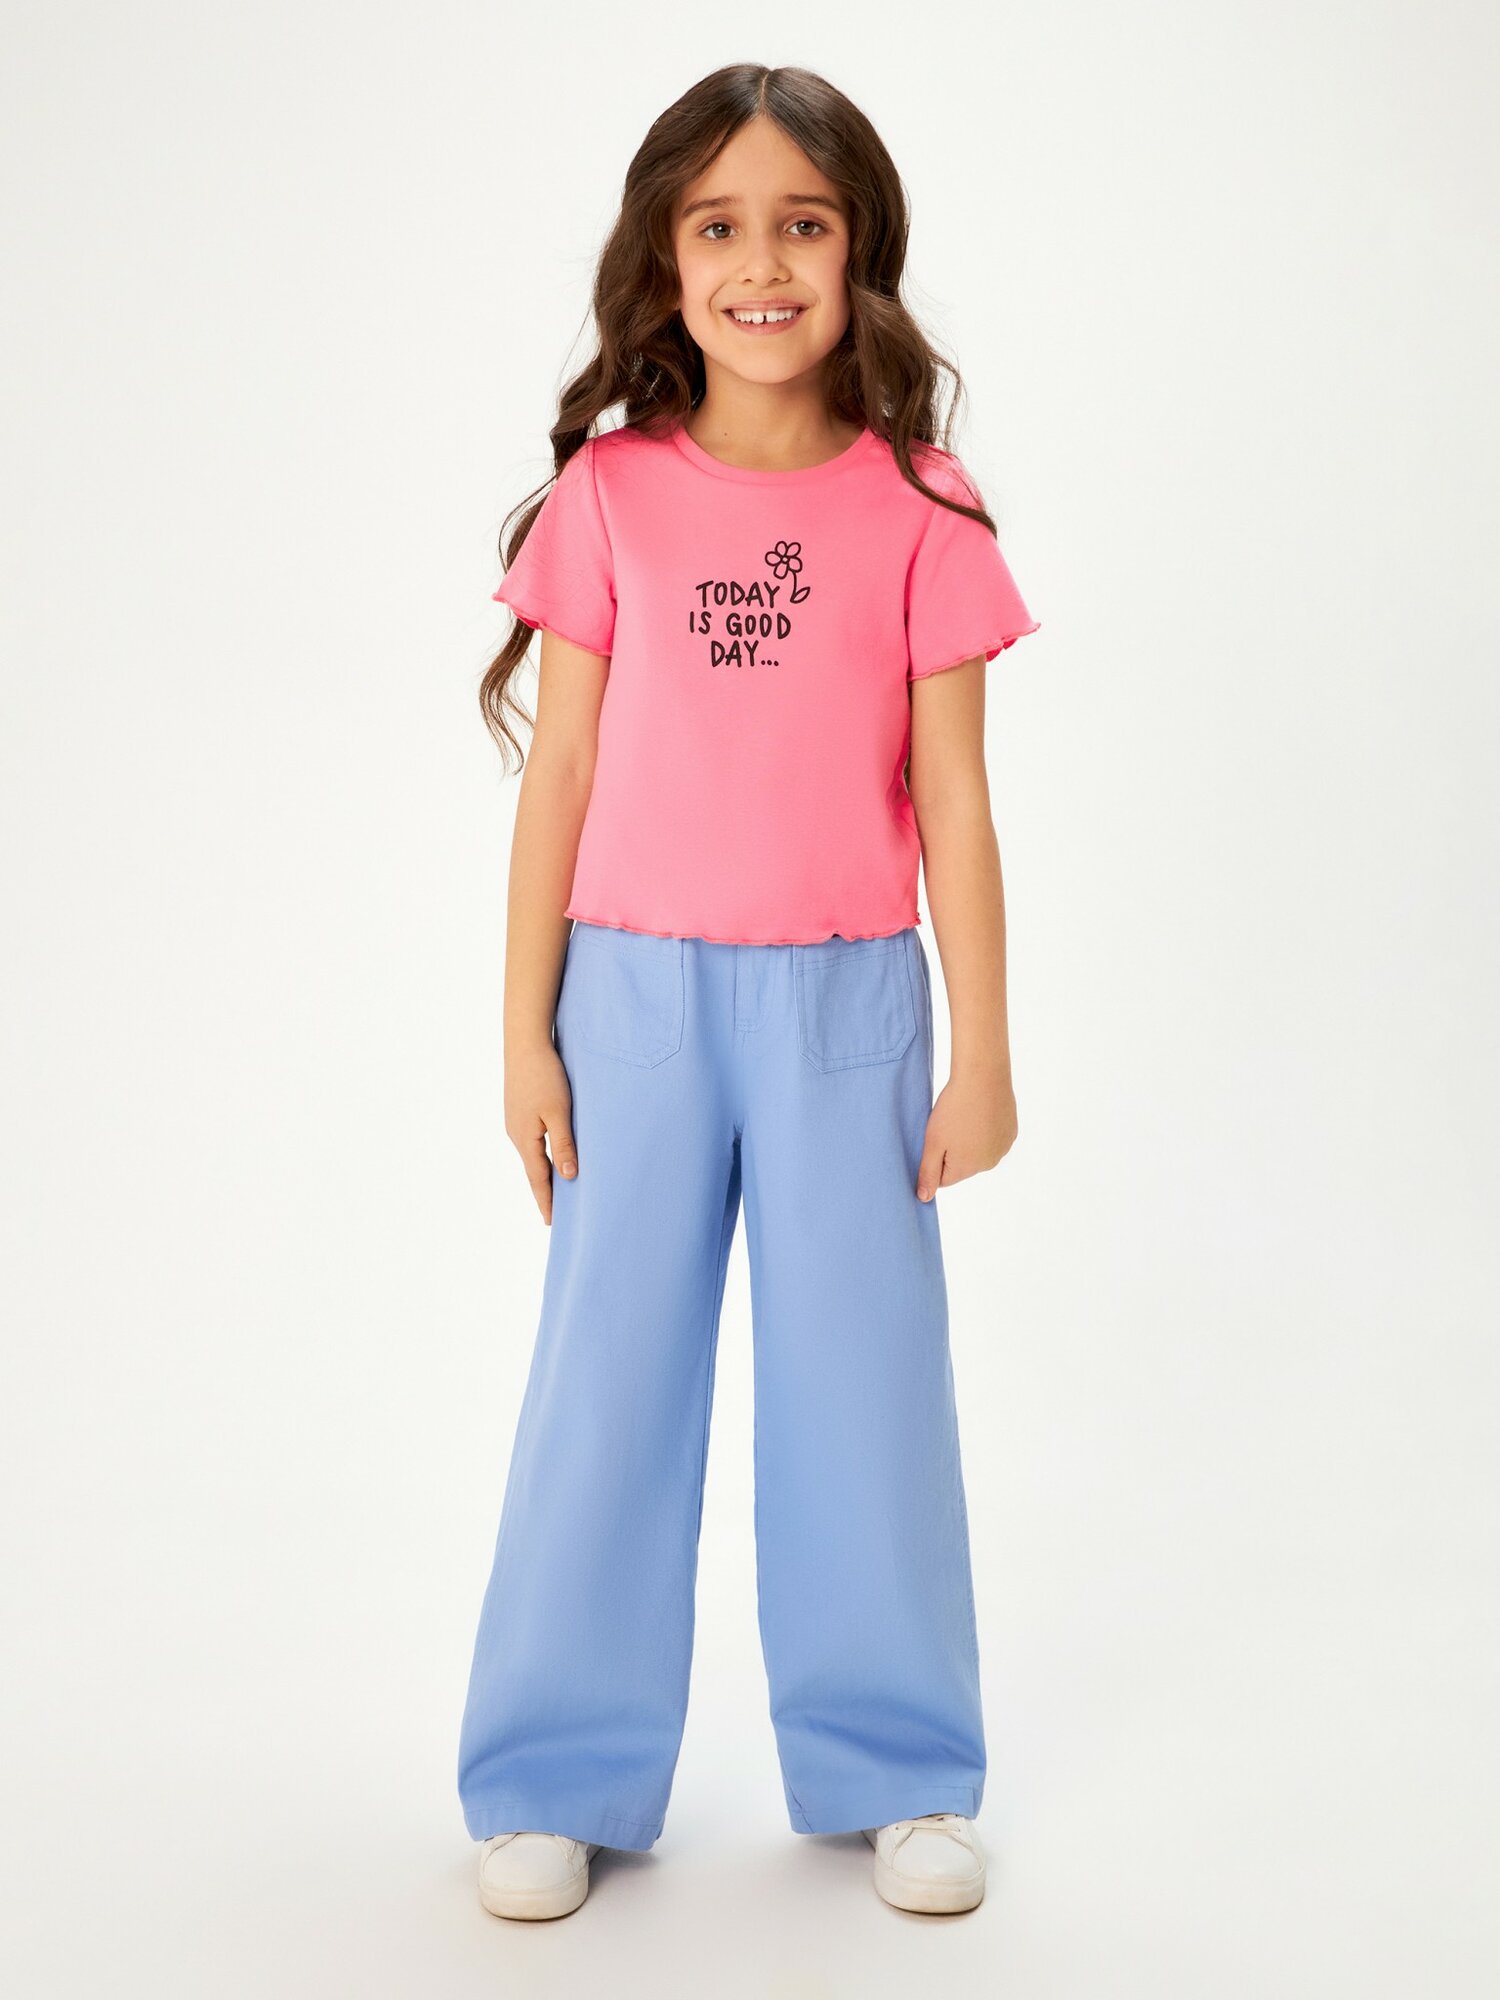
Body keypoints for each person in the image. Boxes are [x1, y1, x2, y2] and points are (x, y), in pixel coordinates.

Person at [457, 62, 1041, 1923]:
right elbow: (558, 774)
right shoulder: (611, 496)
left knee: (866, 1388)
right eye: (719, 227)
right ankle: (550, 1774)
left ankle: (903, 1767)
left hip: (848, 1011)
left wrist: (984, 1056)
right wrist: (521, 1034)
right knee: (606, 1385)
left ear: (859, 251)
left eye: (803, 223)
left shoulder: (924, 507)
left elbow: (955, 796)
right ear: (666, 260)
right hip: (630, 1008)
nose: (762, 264)